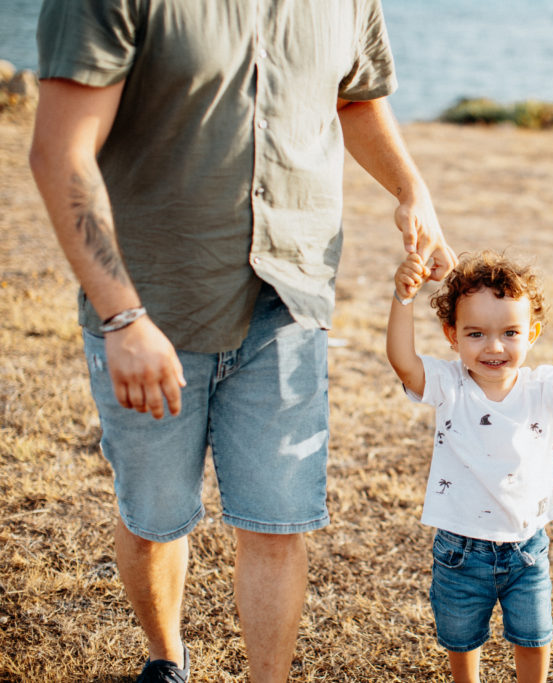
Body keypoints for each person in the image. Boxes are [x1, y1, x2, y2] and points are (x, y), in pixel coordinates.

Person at [28, 1, 456, 681]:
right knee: (155, 516)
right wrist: (121, 317)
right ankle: (166, 658)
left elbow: (354, 98)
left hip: (290, 298)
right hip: (154, 307)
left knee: (278, 521)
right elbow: (60, 152)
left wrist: (412, 190)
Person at [386, 250, 553, 683]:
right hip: (459, 550)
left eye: (510, 332)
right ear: (451, 334)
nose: (494, 347)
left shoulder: (545, 388)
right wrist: (402, 298)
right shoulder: (449, 385)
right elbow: (403, 361)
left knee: (533, 636)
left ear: (532, 333)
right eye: (475, 334)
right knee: (462, 638)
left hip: (526, 547)